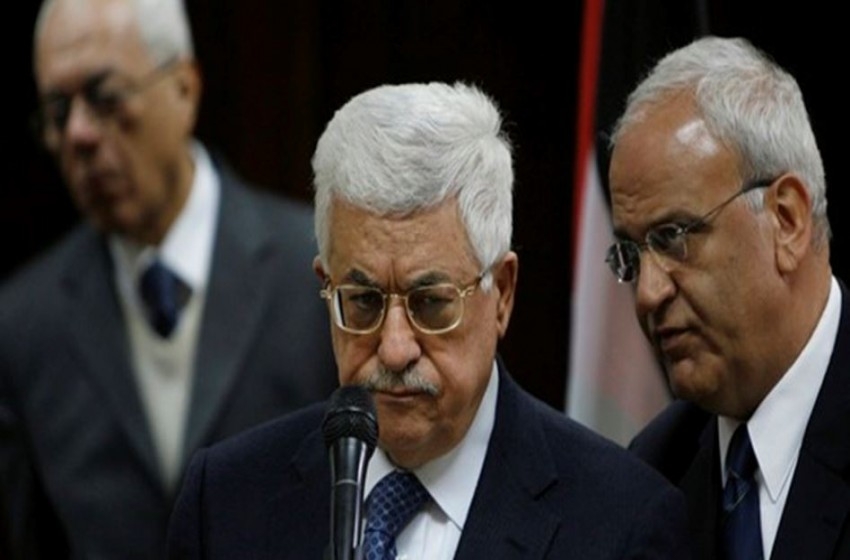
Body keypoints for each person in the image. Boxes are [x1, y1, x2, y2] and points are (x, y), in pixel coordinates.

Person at [166, 81, 691, 559]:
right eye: (363, 301)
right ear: (326, 284)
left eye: (431, 303)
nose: (394, 349)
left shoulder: (621, 525)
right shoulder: (226, 502)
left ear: (502, 294)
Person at [0, 0, 337, 557]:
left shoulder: (317, 275)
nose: (79, 134)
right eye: (57, 111)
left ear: (184, 88)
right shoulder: (24, 325)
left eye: (105, 97)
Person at [605, 36, 850, 560]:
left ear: (786, 220)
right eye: (631, 253)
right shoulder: (655, 469)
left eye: (673, 237)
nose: (647, 294)